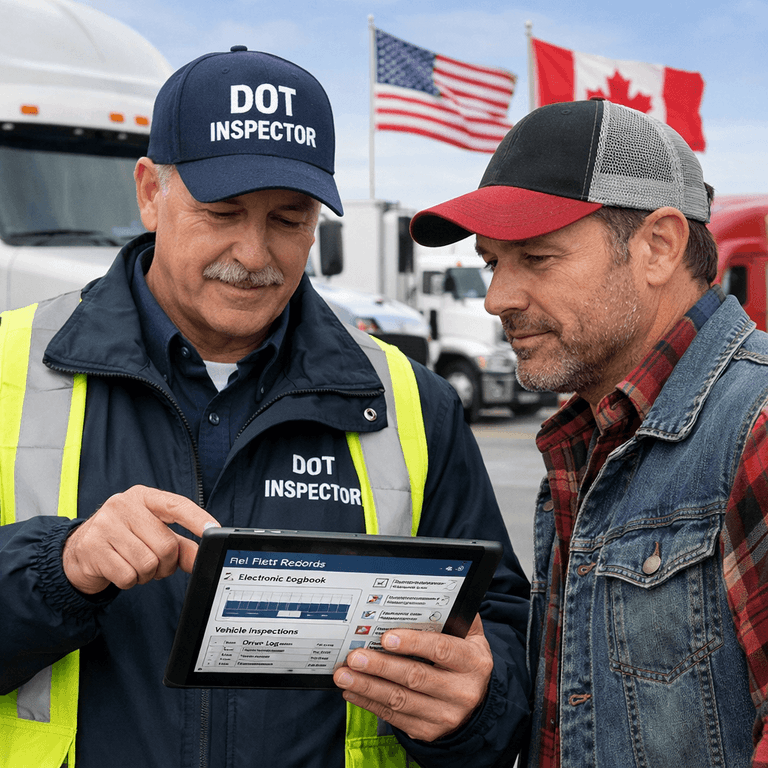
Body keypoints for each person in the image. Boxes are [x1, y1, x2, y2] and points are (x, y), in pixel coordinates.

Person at [0, 47, 531, 768]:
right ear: (150, 191)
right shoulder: (10, 366)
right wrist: (59, 569)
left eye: (289, 219)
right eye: (222, 212)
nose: (254, 255)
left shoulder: (411, 403)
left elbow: (501, 633)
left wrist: (478, 703)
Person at [409, 98, 768, 767]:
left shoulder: (755, 424)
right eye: (492, 262)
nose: (497, 298)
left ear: (659, 245)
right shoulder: (588, 443)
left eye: (537, 258)